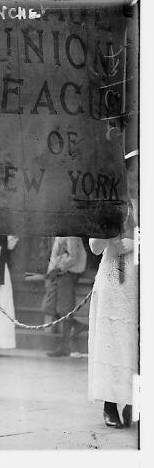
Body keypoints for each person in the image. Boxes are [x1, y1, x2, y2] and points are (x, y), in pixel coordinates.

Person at [87, 150, 139, 428]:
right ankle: (110, 404)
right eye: (132, 172)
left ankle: (133, 402)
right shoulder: (110, 205)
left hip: (138, 282)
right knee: (113, 342)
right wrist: (107, 231)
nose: (137, 177)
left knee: (136, 343)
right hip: (113, 279)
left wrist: (136, 245)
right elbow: (94, 248)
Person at [42, 236, 88, 357]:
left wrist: (58, 269)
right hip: (57, 273)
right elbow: (54, 256)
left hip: (68, 273)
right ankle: (78, 326)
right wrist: (50, 272)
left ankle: (65, 346)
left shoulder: (71, 233)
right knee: (49, 307)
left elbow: (74, 256)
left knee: (64, 309)